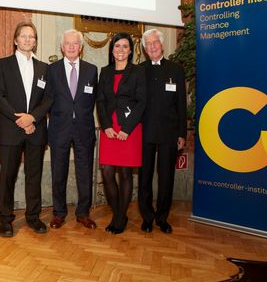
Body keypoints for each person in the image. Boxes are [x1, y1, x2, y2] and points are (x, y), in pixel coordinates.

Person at [0, 21, 52, 237]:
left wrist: (32, 119)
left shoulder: (45, 68)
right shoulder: (2, 64)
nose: (28, 40)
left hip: (35, 129)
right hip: (11, 129)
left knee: (33, 176)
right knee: (7, 176)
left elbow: (48, 99)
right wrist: (21, 120)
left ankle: (33, 217)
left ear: (35, 41)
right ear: (16, 40)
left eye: (32, 36)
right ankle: (6, 219)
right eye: (24, 36)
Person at [46, 29, 98, 229]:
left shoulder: (91, 70)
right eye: (67, 43)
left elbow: (93, 99)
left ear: (81, 47)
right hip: (59, 128)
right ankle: (59, 213)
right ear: (62, 47)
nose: (71, 47)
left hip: (84, 129)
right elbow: (48, 99)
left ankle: (83, 213)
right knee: (58, 171)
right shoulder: (52, 70)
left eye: (75, 44)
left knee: (84, 172)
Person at [97, 32, 146, 234]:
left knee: (125, 173)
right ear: (112, 49)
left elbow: (142, 102)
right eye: (117, 46)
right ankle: (119, 213)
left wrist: (126, 129)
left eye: (125, 46)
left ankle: (119, 218)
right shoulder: (105, 71)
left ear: (130, 50)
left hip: (130, 128)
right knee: (107, 172)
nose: (121, 50)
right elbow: (100, 101)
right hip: (109, 128)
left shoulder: (137, 72)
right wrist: (107, 125)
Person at [138, 28, 187, 234]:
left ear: (161, 44)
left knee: (166, 178)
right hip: (145, 132)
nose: (152, 47)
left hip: (169, 132)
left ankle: (162, 218)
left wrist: (182, 134)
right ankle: (147, 217)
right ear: (144, 49)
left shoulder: (175, 69)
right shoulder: (139, 70)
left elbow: (181, 105)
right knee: (144, 177)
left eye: (154, 43)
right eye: (148, 44)